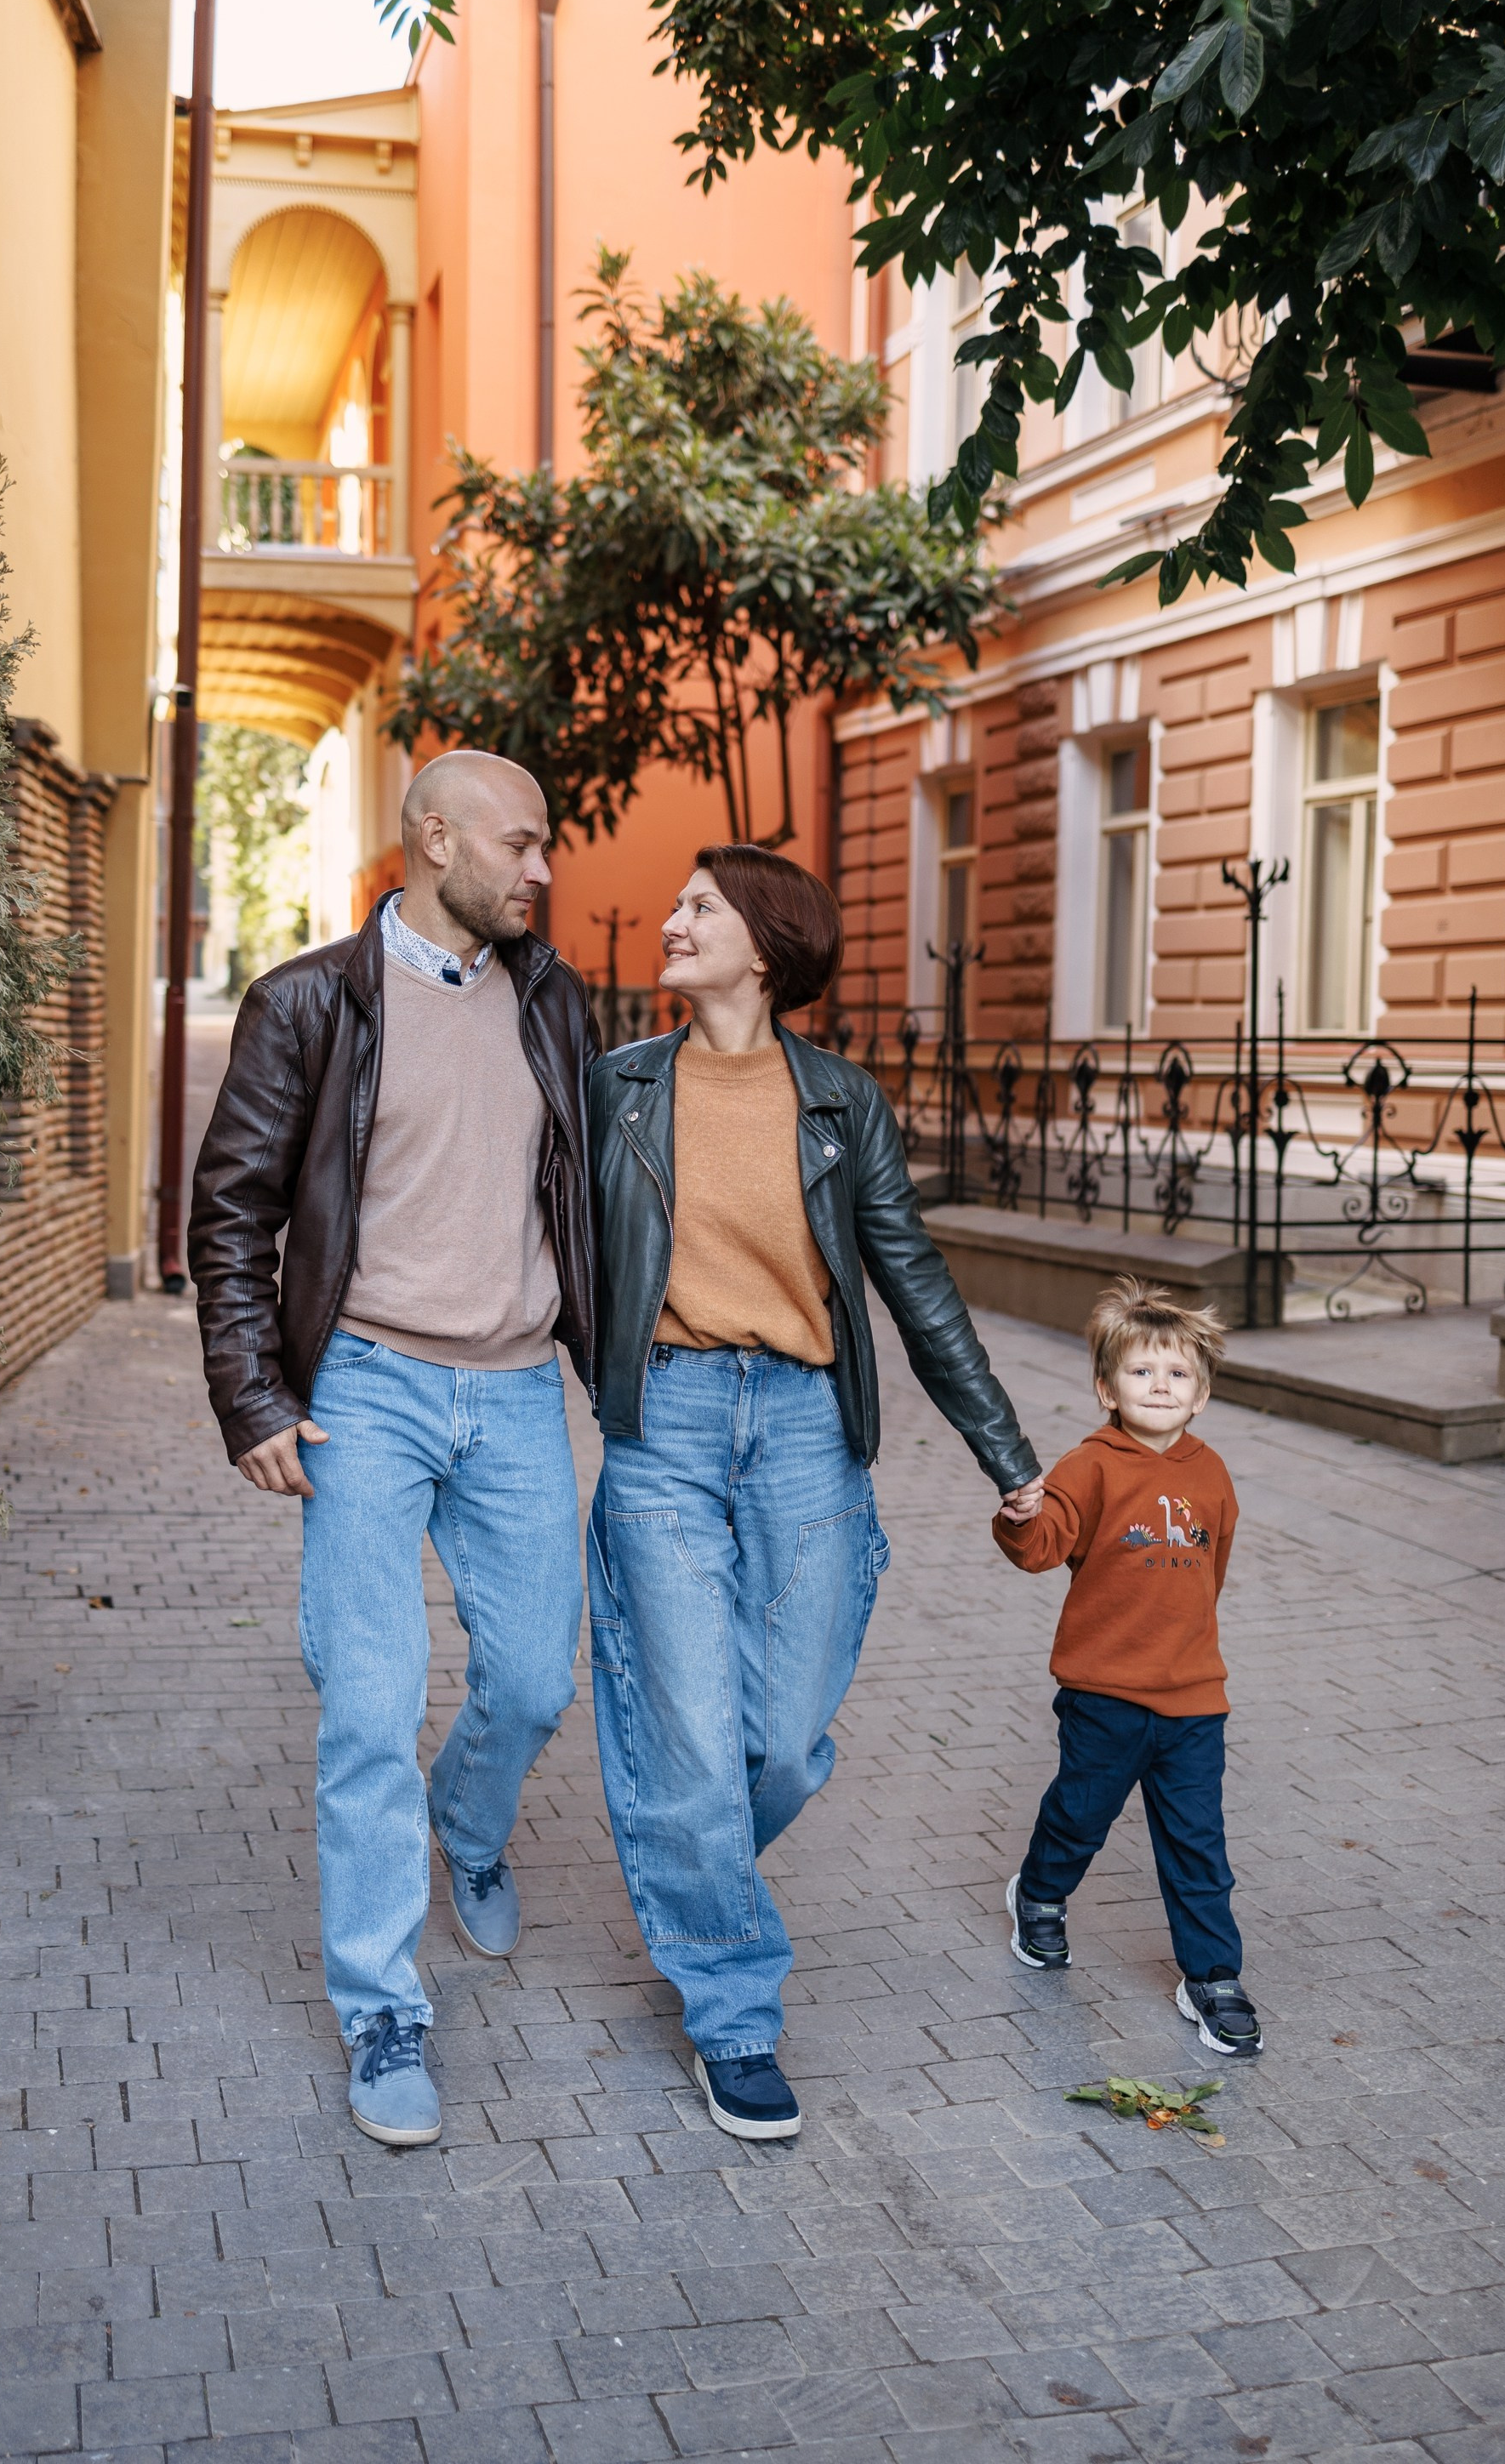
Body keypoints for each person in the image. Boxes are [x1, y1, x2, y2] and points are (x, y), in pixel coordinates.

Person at [586, 844, 1043, 2141]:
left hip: (804, 1428)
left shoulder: (843, 1102)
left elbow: (915, 1281)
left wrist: (1008, 1458)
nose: (674, 923)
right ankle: (734, 2015)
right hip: (665, 1422)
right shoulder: (616, 1085)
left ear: (767, 946)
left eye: (700, 909)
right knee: (683, 1731)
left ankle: (691, 1871)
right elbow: (555, 1249)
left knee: (777, 1743)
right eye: (679, 906)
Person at [188, 751, 600, 2148]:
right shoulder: (310, 1001)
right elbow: (232, 1211)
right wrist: (252, 1399)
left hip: (519, 1389)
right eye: (523, 843)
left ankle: (468, 1827)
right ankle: (383, 2006)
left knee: (538, 1676)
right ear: (435, 839)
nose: (543, 869)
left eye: (546, 848)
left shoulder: (552, 998)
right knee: (370, 1707)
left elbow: (588, 1190)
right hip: (365, 1385)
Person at [995, 1276, 1263, 2057]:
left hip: (1191, 1701)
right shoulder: (1091, 1466)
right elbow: (1043, 1550)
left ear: (1202, 1394)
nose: (1160, 1385)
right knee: (1081, 1817)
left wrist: (1183, 1654)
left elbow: (1211, 1571)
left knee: (1198, 1846)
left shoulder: (1210, 1473)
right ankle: (1040, 1895)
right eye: (1142, 1371)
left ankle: (1211, 1976)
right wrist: (1022, 1518)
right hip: (1104, 1697)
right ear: (1106, 1387)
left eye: (1178, 1374)